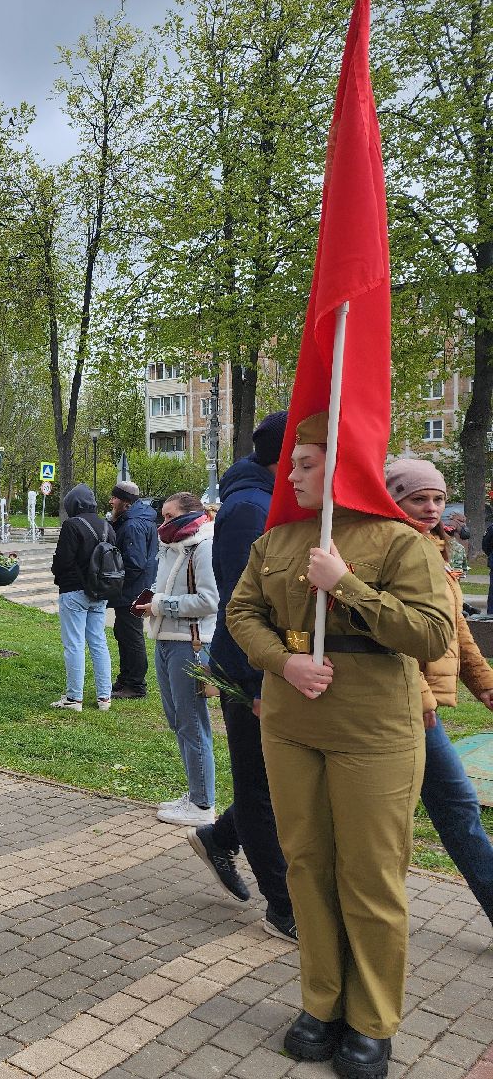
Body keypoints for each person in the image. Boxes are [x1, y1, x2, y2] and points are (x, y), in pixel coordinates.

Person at [227, 412, 453, 1078]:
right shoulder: (276, 541)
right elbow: (243, 612)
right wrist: (285, 663)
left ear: (343, 465)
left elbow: (432, 635)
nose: (289, 473)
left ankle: (372, 1021)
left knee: (371, 877)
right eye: (291, 462)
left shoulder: (398, 542)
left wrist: (345, 584)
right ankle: (321, 1004)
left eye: (305, 462)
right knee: (307, 867)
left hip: (373, 733)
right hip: (294, 725)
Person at [192, 410, 295, 942]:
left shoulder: (268, 500)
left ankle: (220, 838)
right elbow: (241, 603)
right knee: (260, 787)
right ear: (286, 454)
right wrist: (256, 684)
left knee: (275, 784)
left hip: (274, 668)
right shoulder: (250, 509)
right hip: (251, 672)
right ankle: (283, 906)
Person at [386, 458, 493, 929]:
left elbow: (456, 633)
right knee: (450, 807)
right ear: (393, 499)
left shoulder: (434, 548)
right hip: (401, 707)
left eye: (438, 498)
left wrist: (486, 686)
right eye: (417, 498)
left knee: (456, 807)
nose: (432, 507)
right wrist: (424, 698)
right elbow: (387, 633)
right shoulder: (394, 548)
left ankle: (227, 833)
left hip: (418, 709)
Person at [137, 491, 218, 827]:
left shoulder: (203, 546)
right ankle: (195, 793)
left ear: (190, 514)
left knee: (192, 722)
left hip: (192, 643)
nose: (164, 523)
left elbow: (210, 600)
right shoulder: (172, 546)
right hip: (165, 639)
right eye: (163, 517)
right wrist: (152, 605)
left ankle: (202, 804)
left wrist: (161, 605)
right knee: (178, 720)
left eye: (171, 517)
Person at [49, 483, 114, 712]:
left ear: (73, 505)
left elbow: (63, 560)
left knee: (74, 644)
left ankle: (74, 698)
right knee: (98, 643)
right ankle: (104, 697)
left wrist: (56, 571)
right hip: (100, 591)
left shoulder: (72, 526)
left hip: (74, 591)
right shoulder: (107, 526)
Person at [109, 481, 157, 700]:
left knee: (131, 635)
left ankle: (135, 685)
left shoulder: (133, 525)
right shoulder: (135, 520)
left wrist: (113, 580)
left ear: (126, 503)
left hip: (132, 590)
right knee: (124, 632)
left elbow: (134, 563)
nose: (111, 501)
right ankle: (126, 678)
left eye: (115, 498)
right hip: (137, 588)